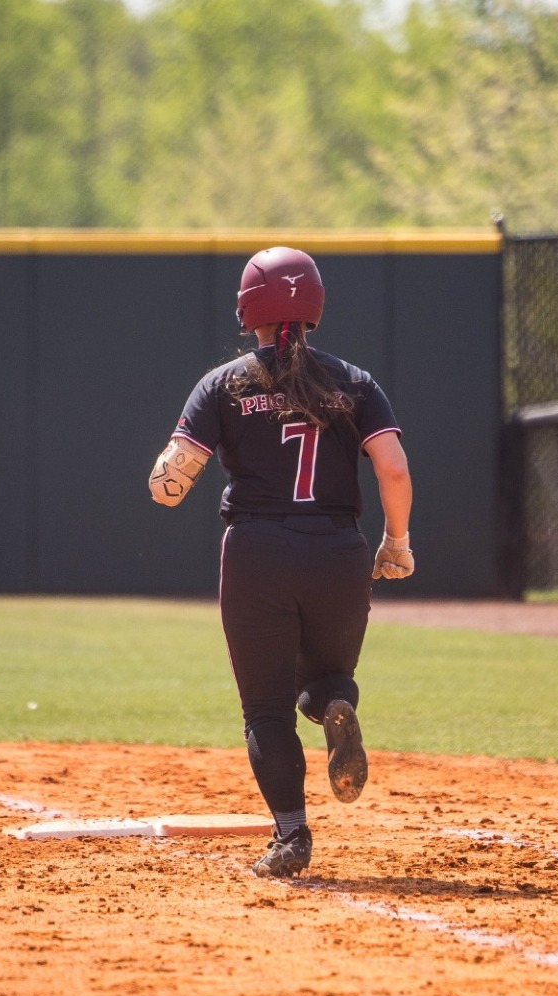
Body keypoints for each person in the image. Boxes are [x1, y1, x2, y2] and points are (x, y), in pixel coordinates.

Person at [146, 246, 414, 878]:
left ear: (248, 310)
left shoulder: (226, 383)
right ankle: (331, 708)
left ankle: (292, 836)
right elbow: (393, 467)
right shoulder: (354, 382)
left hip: (258, 555)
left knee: (265, 709)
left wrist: (166, 477)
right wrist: (395, 543)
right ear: (315, 307)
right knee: (324, 677)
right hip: (339, 553)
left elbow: (170, 483)